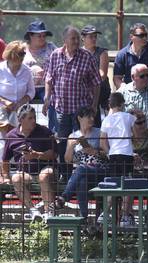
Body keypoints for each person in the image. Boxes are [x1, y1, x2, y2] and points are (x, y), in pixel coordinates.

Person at [44, 26, 101, 176]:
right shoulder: (55, 55)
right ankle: (66, 175)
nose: (76, 41)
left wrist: (94, 105)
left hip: (80, 111)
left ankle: (85, 174)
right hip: (61, 109)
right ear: (65, 40)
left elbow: (96, 83)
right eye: (73, 38)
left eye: (77, 38)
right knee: (63, 143)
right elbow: (49, 79)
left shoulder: (87, 56)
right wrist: (46, 98)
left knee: (83, 142)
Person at [0, 105, 57, 221]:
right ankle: (33, 211)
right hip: (26, 174)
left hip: (46, 168)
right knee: (16, 178)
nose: (34, 121)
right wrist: (5, 177)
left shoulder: (44, 131)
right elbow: (5, 160)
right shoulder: (11, 135)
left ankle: (49, 212)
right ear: (21, 120)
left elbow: (54, 154)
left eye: (34, 117)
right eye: (30, 118)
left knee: (44, 176)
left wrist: (36, 155)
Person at [55, 106, 108, 218]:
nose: (92, 119)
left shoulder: (100, 133)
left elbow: (108, 153)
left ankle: (64, 197)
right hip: (83, 175)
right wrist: (71, 146)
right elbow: (68, 160)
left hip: (99, 171)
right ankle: (85, 219)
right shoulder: (73, 136)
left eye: (93, 116)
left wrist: (94, 151)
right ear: (79, 118)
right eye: (88, 116)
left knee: (81, 168)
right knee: (82, 181)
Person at [100, 92, 136, 226]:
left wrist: (109, 153)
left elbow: (102, 142)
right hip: (127, 154)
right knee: (128, 184)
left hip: (114, 155)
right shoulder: (129, 117)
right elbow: (136, 134)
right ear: (122, 104)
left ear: (110, 105)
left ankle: (105, 213)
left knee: (114, 184)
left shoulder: (106, 120)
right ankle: (125, 215)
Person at [0, 41, 35, 154]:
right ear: (11, 54)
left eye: (23, 53)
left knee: (19, 136)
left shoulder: (27, 71)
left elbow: (31, 91)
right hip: (2, 109)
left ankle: (17, 163)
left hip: (21, 109)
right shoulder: (0, 69)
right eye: (20, 53)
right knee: (3, 139)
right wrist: (5, 102)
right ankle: (3, 166)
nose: (23, 56)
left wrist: (21, 103)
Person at [22, 20, 58, 132]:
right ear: (30, 36)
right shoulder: (22, 48)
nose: (42, 38)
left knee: (52, 100)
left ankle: (54, 132)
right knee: (19, 102)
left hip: (46, 87)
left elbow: (60, 62)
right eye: (39, 35)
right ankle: (22, 132)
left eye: (44, 35)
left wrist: (46, 71)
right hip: (26, 86)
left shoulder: (51, 48)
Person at [113, 23, 148, 89]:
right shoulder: (122, 54)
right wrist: (126, 89)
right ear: (131, 37)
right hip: (131, 92)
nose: (144, 37)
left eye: (146, 35)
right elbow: (117, 78)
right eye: (141, 35)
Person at [81, 25, 111, 128]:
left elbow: (102, 74)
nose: (94, 39)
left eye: (95, 36)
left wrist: (85, 79)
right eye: (91, 37)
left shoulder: (102, 53)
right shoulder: (78, 53)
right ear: (83, 38)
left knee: (100, 123)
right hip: (84, 93)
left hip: (101, 93)